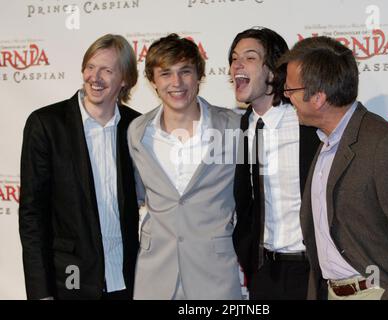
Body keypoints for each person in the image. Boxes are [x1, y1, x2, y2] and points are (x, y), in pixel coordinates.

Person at [281, 36, 388, 300]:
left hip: (377, 292)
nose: (288, 99)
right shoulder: (325, 142)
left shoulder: (382, 144)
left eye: (291, 91)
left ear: (319, 97)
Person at [19, 34, 141, 300]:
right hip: (71, 279)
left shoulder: (137, 127)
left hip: (128, 279)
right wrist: (41, 293)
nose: (94, 77)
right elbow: (32, 216)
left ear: (125, 80)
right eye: (90, 67)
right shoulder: (47, 125)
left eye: (107, 70)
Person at [128, 34, 242, 300]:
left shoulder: (232, 127)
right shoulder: (138, 132)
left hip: (215, 274)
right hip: (154, 274)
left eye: (185, 72)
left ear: (199, 75)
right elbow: (138, 195)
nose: (176, 83)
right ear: (153, 80)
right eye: (165, 73)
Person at [229, 27, 320, 299]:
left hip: (310, 272)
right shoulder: (244, 125)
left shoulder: (306, 123)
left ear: (273, 71)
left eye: (250, 57)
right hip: (264, 271)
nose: (237, 65)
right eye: (234, 58)